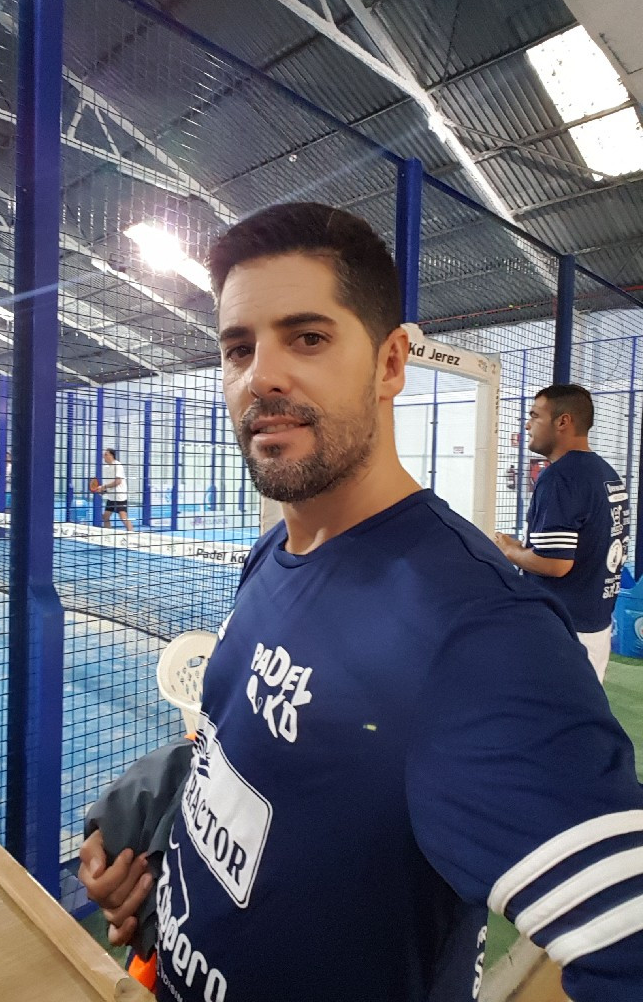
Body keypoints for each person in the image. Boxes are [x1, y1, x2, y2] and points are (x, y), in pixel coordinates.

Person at [79, 203, 643, 1002]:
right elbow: (240, 754)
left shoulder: (476, 636)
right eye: (239, 348)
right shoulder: (274, 553)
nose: (261, 376)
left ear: (390, 365)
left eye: (307, 338)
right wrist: (146, 838)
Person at [494, 384, 630, 681]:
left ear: (563, 422)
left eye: (534, 415)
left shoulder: (561, 477)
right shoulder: (606, 473)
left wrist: (508, 550)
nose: (527, 425)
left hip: (563, 630)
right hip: (594, 624)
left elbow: (555, 564)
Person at [97, 448, 134, 531]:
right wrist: (103, 491)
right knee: (105, 517)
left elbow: (118, 481)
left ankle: (131, 534)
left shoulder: (118, 465)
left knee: (123, 517)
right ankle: (108, 535)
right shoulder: (106, 468)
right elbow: (109, 483)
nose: (103, 456)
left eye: (106, 454)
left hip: (119, 496)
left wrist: (104, 487)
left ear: (111, 455)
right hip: (111, 497)